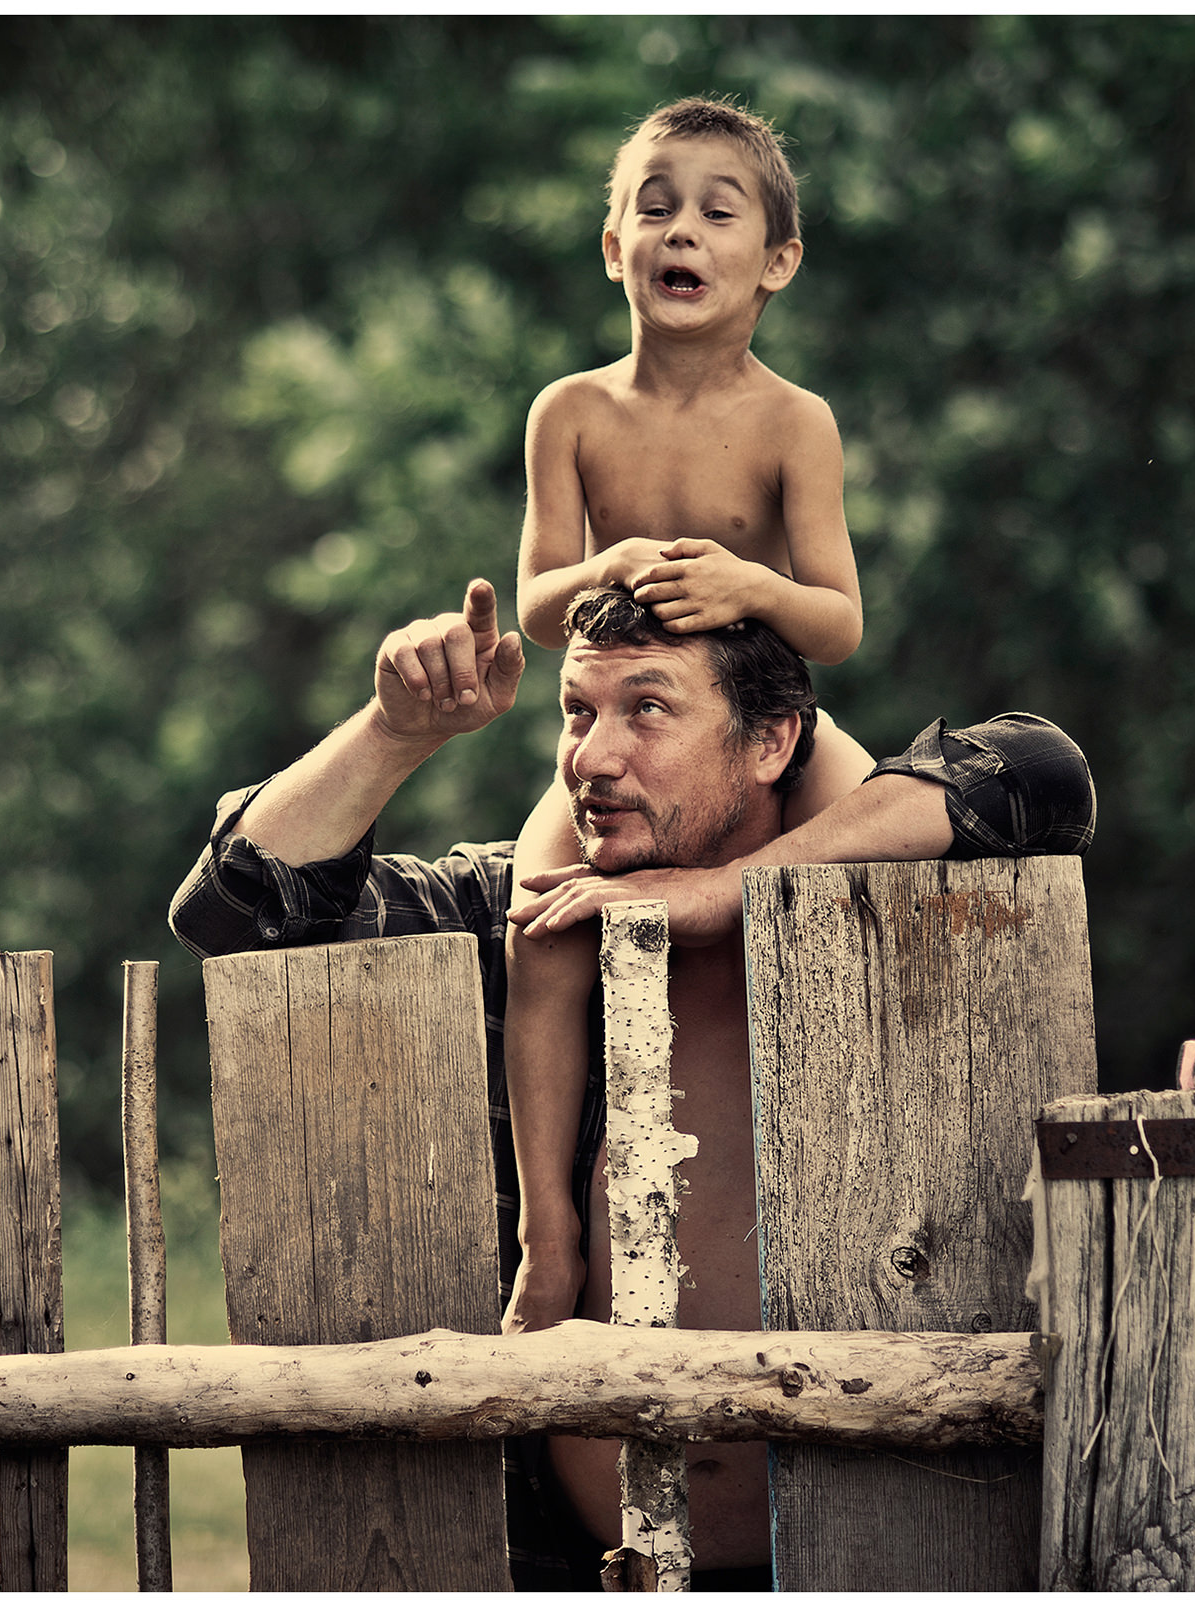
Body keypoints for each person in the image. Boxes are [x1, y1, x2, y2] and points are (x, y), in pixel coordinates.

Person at [168, 578, 1095, 1587]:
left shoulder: (889, 901)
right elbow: (236, 907)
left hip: (877, 1558)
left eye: (648, 709)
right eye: (578, 711)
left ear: (773, 742)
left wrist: (729, 889)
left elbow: (1041, 770)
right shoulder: (521, 913)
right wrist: (395, 731)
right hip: (567, 1563)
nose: (593, 758)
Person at [499, 97, 875, 1343]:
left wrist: (746, 586)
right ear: (613, 246)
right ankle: (549, 1237)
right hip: (633, 725)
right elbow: (544, 597)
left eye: (721, 210)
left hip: (772, 728)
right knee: (541, 925)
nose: (682, 229)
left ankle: (868, 1168)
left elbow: (836, 621)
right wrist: (613, 576)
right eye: (654, 205)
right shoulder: (573, 412)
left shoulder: (794, 419)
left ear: (776, 263)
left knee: (888, 860)